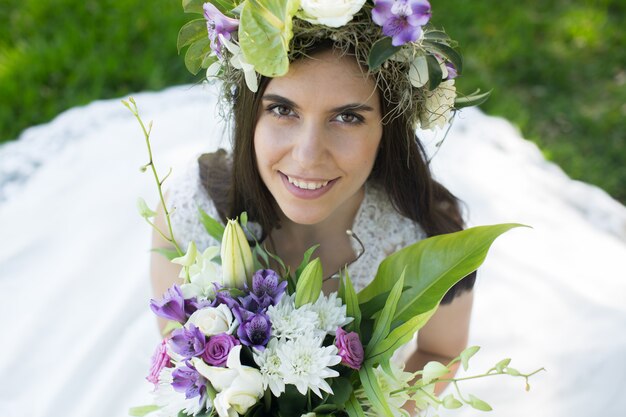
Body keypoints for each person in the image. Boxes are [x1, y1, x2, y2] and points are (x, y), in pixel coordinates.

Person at [151, 0, 479, 409]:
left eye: (347, 118)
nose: (308, 157)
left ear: (387, 129)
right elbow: (180, 347)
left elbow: (441, 351)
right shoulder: (188, 211)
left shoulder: (425, 235)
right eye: (283, 110)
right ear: (249, 115)